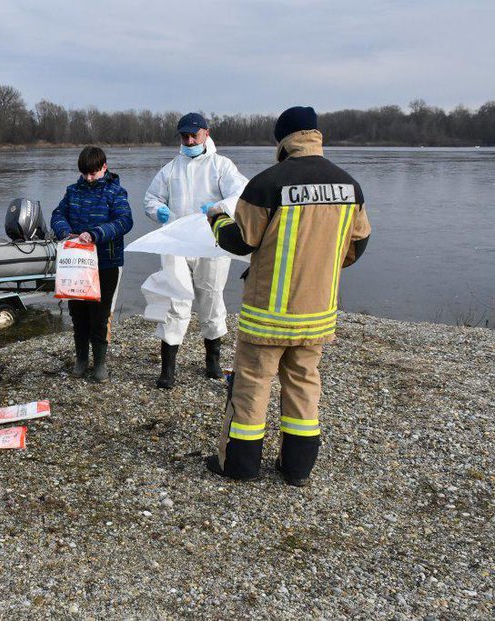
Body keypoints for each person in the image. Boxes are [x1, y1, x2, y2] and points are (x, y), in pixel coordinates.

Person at [204, 106, 371, 485]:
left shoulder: (268, 183)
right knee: (304, 383)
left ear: (282, 140)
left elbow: (239, 240)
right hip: (318, 313)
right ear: (315, 135)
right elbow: (357, 245)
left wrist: (216, 218)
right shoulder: (350, 186)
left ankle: (240, 466)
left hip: (268, 314)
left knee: (252, 385)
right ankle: (296, 469)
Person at [143, 112, 248, 388]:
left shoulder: (221, 166)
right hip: (176, 242)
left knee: (211, 299)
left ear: (206, 134)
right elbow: (150, 198)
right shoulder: (170, 169)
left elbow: (241, 194)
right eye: (184, 136)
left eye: (194, 135)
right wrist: (159, 211)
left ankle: (212, 362)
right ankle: (168, 369)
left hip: (210, 242)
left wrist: (218, 209)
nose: (189, 140)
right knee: (175, 300)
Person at [50, 147, 133, 383]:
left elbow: (125, 221)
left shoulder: (116, 192)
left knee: (99, 315)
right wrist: (64, 231)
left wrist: (95, 234)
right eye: (85, 173)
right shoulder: (72, 192)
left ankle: (100, 364)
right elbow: (57, 214)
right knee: (78, 314)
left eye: (93, 173)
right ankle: (81, 360)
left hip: (106, 263)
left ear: (104, 168)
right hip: (75, 264)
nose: (88, 178)